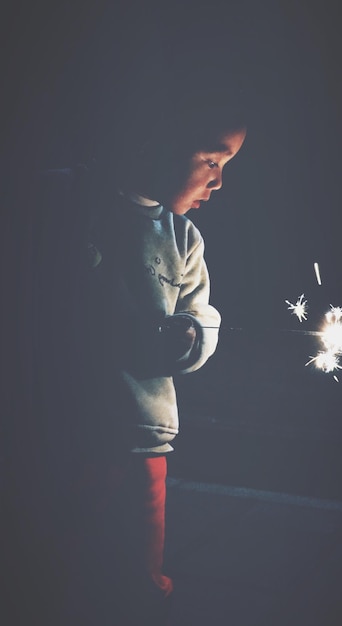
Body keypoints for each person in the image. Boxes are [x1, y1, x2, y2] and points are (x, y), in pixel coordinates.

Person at [15, 82, 247, 625]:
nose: (218, 179)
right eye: (211, 159)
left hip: (143, 433)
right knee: (55, 554)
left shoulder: (184, 238)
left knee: (137, 568)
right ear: (157, 139)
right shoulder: (67, 200)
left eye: (226, 164)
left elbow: (202, 313)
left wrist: (190, 334)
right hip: (58, 423)